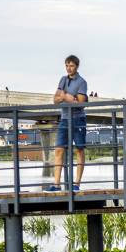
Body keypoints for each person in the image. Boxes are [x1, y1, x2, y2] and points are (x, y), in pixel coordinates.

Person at [45, 54, 87, 192]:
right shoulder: (63, 80)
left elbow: (80, 104)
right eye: (67, 65)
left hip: (78, 119)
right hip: (64, 118)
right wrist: (66, 97)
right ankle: (56, 184)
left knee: (79, 150)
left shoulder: (82, 82)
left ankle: (76, 184)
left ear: (77, 66)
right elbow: (55, 99)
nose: (69, 68)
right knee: (59, 149)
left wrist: (65, 97)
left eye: (71, 65)